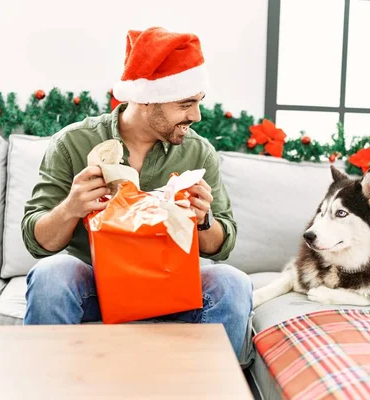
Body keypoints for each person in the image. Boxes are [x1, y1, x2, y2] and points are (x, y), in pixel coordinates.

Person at [21, 27, 253, 365]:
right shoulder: (73, 144)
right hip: (96, 286)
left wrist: (204, 220)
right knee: (51, 275)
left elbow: (222, 246)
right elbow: (36, 241)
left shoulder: (198, 153)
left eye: (198, 103)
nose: (196, 116)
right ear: (145, 99)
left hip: (172, 287)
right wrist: (71, 207)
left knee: (232, 283)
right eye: (185, 104)